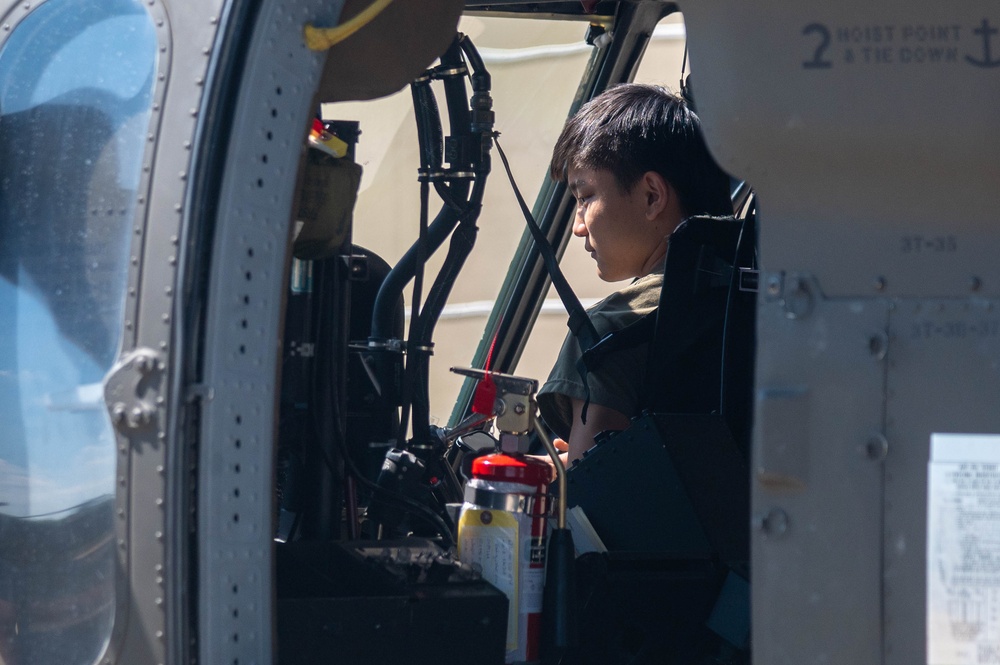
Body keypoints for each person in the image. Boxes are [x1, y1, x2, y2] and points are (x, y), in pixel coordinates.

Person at [536, 83, 732, 466]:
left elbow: (593, 502)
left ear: (652, 196)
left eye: (586, 195)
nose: (578, 225)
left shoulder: (611, 330)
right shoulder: (764, 291)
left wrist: (563, 473)